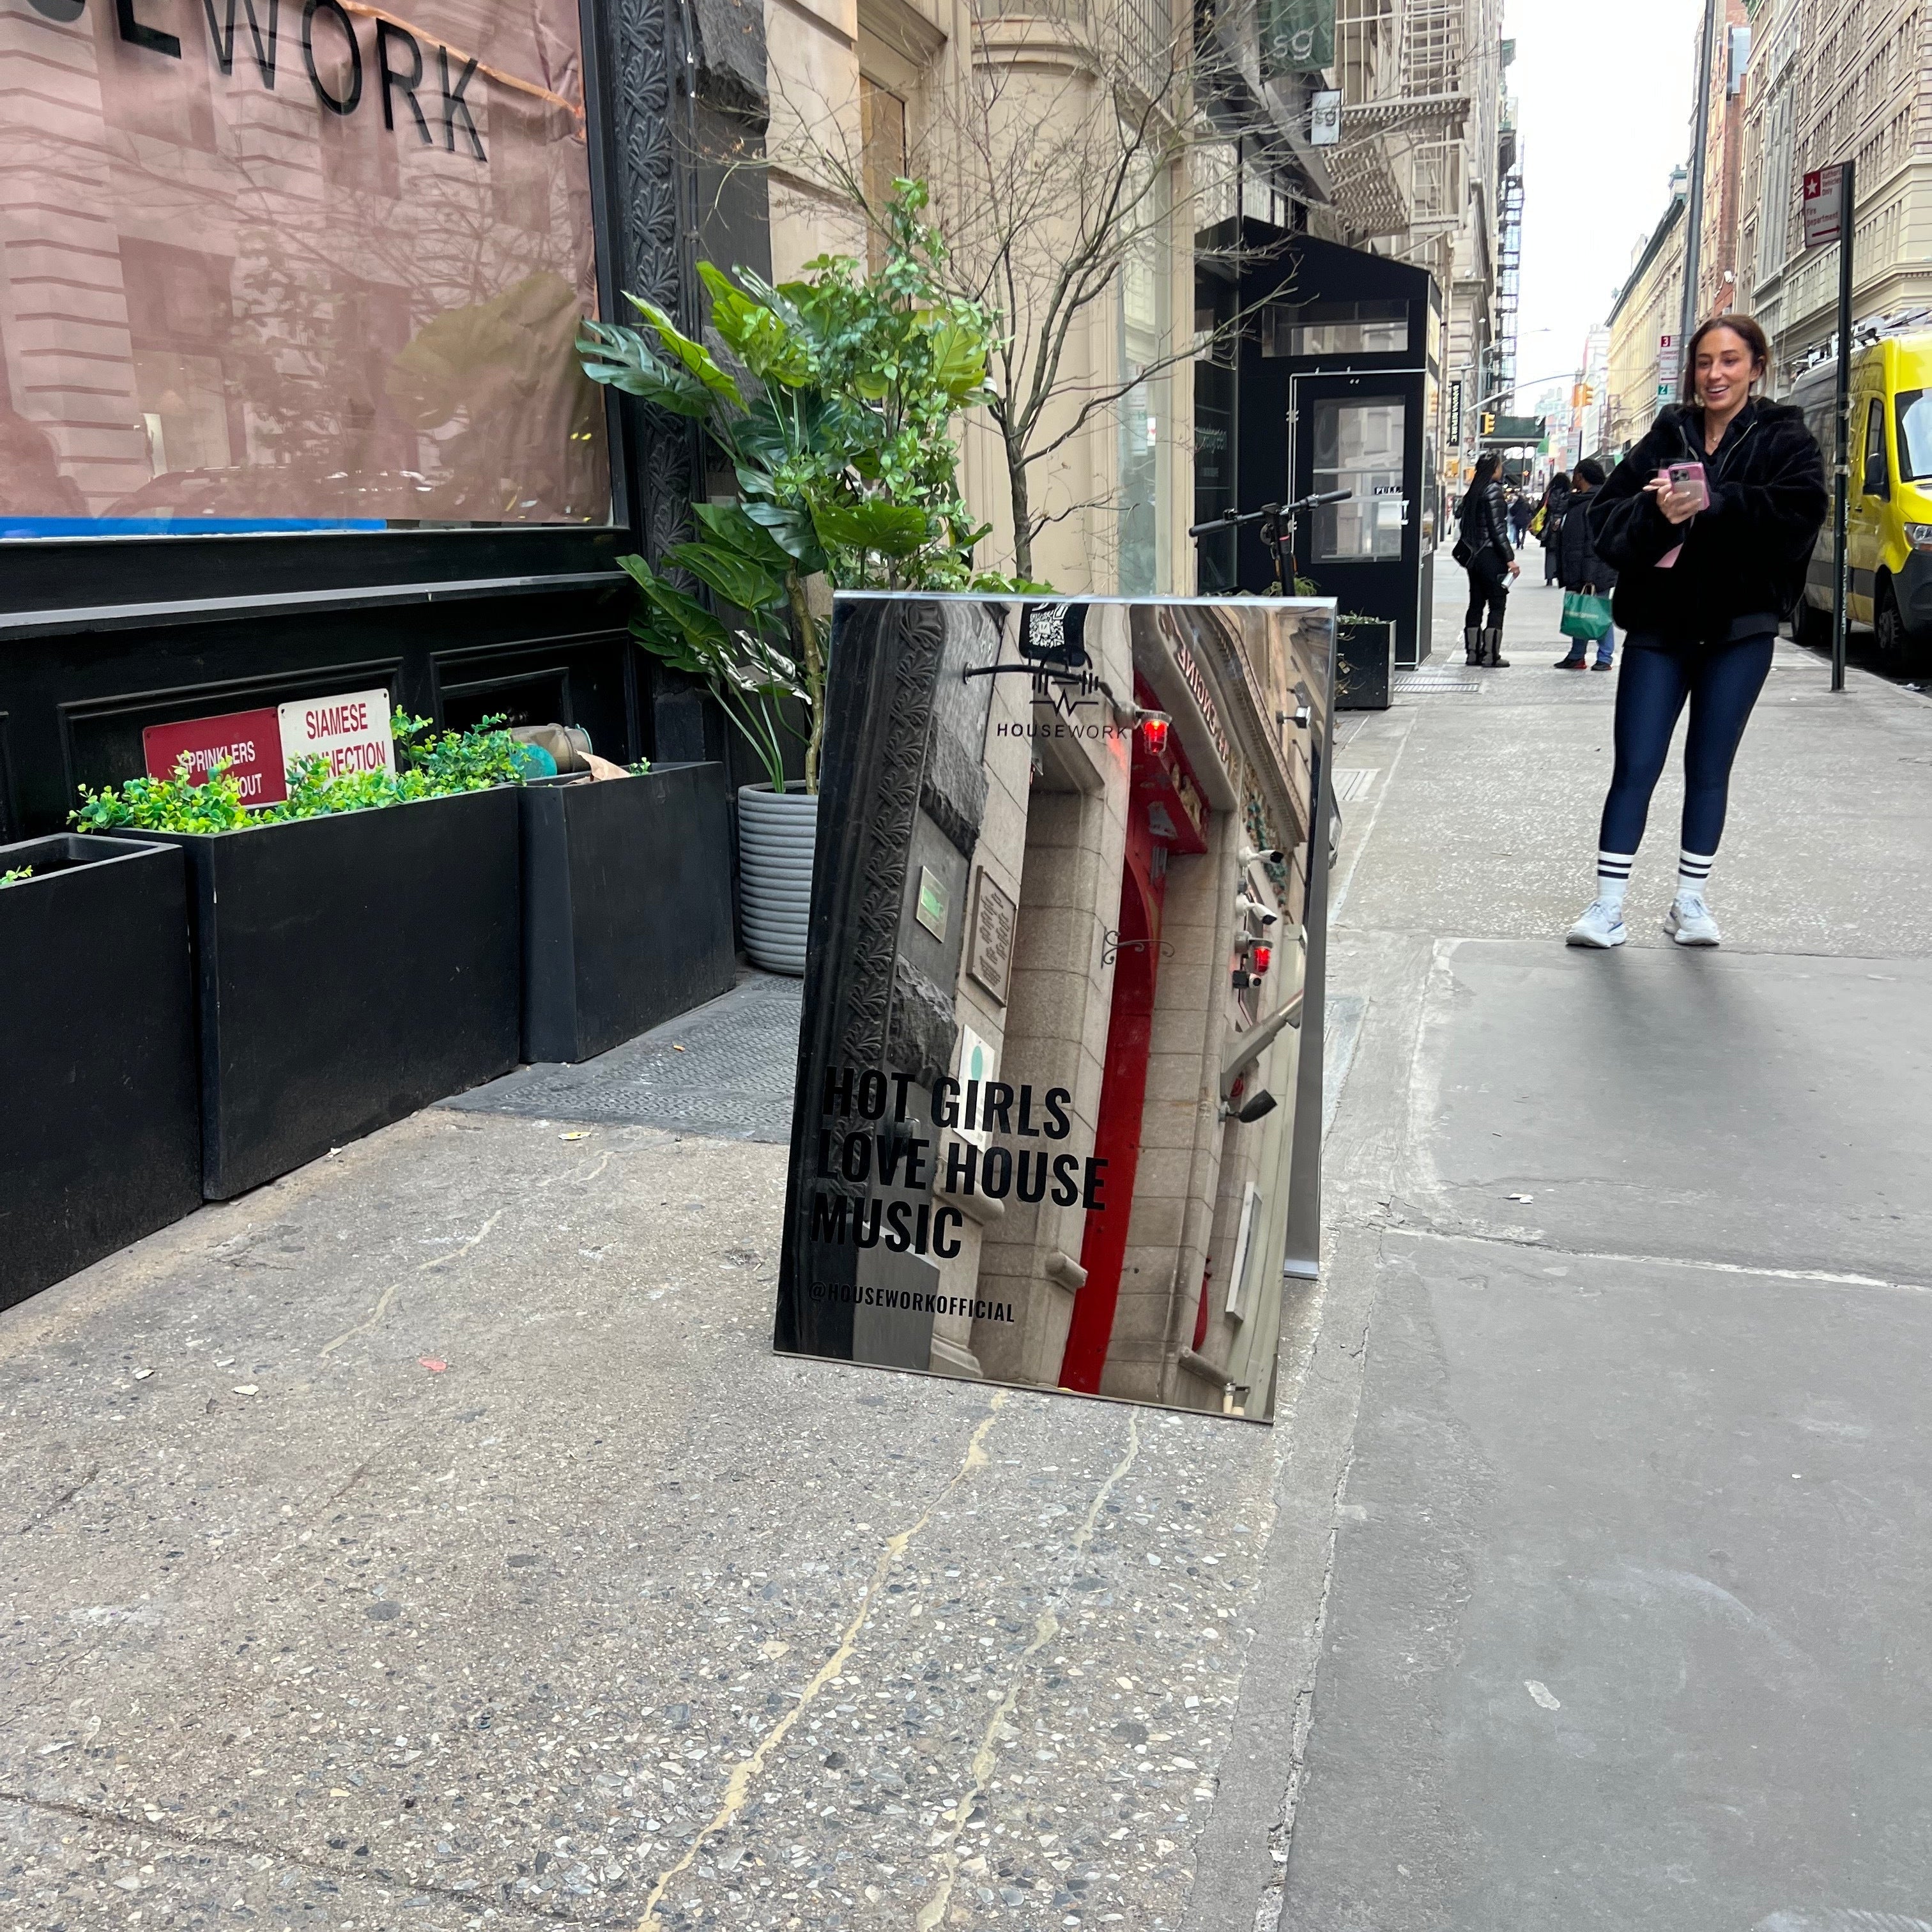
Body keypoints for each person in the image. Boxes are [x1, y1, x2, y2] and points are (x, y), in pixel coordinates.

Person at [1565, 313, 1827, 950]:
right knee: (1636, 763)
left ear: (1756, 366)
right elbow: (1606, 521)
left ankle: (1690, 902)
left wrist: (1718, 500)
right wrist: (1657, 511)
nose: (1716, 374)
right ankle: (1607, 907)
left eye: (1731, 360)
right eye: (1706, 362)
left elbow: (1800, 516)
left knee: (1710, 767)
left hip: (1741, 628)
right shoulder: (1667, 434)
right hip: (1660, 626)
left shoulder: (1785, 437)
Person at [1552, 459, 1618, 670]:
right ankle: (1577, 655)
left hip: (1593, 570)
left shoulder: (1595, 502)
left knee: (1597, 612)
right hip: (1578, 567)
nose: (1572, 478)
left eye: (1575, 474)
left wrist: (1589, 576)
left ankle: (1605, 657)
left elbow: (1593, 542)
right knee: (1580, 612)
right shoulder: (1580, 501)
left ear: (1581, 476)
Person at [1455, 451, 1519, 667]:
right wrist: (1510, 559)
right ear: (1494, 469)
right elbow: (1498, 530)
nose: (1501, 471)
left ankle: (1472, 654)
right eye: (1500, 467)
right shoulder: (1494, 491)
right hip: (1491, 556)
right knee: (1497, 604)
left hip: (1473, 558)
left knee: (1475, 604)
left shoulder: (1473, 492)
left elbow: (1461, 520)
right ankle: (1491, 655)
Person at [1536, 470, 1572, 584]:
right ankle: (1560, 574)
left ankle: (1549, 577)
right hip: (1563, 524)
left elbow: (1541, 508)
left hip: (1549, 524)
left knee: (1550, 551)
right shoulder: (1569, 494)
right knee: (1562, 551)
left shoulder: (1549, 493)